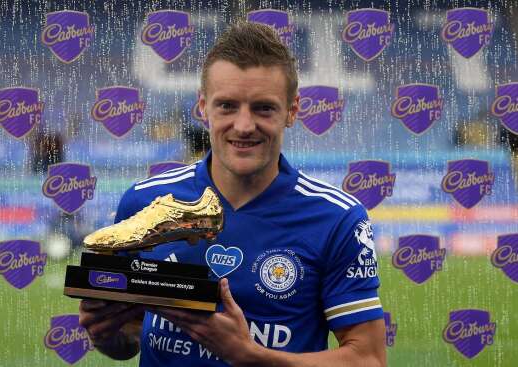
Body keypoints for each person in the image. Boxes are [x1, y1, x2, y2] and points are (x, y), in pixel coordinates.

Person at [79, 21, 386, 366]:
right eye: (227, 106)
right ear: (203, 108)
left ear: (292, 111)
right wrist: (106, 333)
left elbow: (368, 358)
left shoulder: (337, 218)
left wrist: (250, 356)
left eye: (263, 108)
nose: (243, 125)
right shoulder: (144, 204)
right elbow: (127, 341)